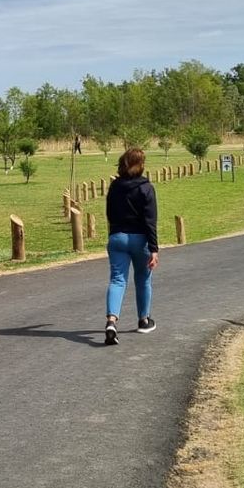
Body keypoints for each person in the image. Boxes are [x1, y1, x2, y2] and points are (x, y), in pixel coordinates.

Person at [102, 147, 159, 345]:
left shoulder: (114, 187)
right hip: (140, 239)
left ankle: (111, 321)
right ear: (141, 165)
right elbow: (150, 221)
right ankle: (143, 320)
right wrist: (154, 249)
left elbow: (109, 213)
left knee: (117, 280)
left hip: (117, 237)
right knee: (143, 280)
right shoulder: (146, 188)